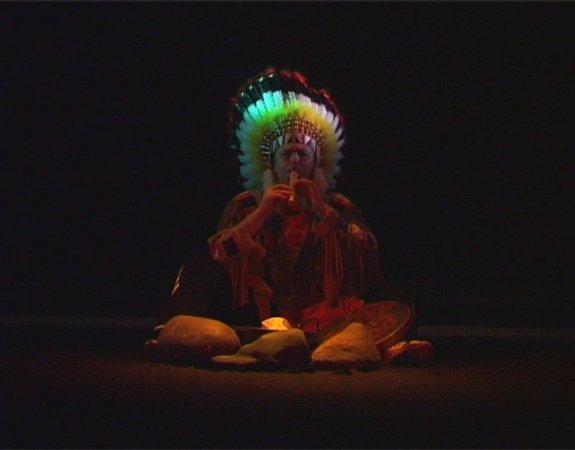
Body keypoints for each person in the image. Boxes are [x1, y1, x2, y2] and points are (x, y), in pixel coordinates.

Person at [154, 68, 431, 363]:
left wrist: (322, 211)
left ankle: (394, 344)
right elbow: (218, 254)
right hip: (260, 314)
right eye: (287, 154)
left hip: (330, 317)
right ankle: (171, 335)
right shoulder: (245, 206)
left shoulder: (338, 206)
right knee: (199, 269)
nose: (295, 161)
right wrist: (261, 214)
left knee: (396, 283)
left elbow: (370, 255)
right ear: (271, 162)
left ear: (316, 160)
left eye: (303, 153)